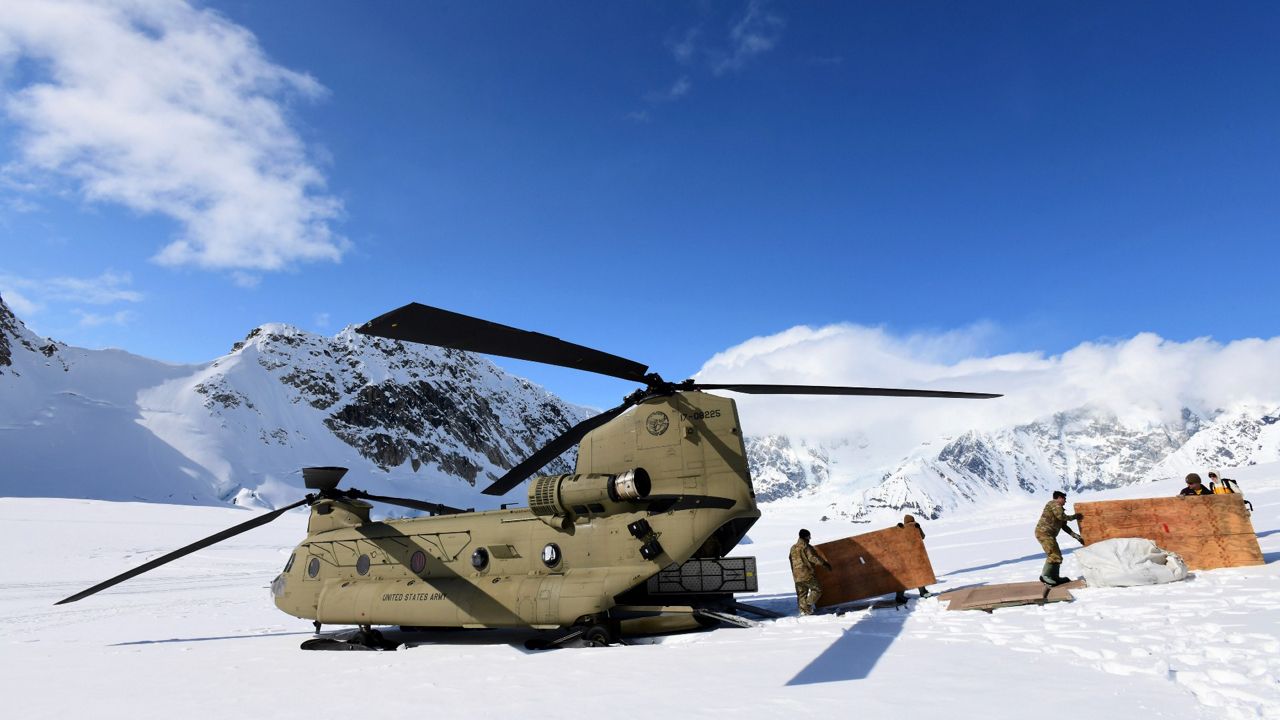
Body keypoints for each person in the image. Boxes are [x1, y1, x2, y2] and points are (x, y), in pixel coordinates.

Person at [1035, 490, 1083, 586]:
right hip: (1044, 533)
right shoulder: (1054, 504)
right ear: (1059, 498)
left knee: (1058, 556)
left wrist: (1076, 536)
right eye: (1064, 499)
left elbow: (1063, 526)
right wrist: (1074, 517)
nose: (1065, 501)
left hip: (1049, 535)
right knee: (1053, 555)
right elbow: (1061, 517)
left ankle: (1055, 577)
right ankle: (1045, 576)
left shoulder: (1058, 508)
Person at [790, 529, 832, 616]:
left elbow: (791, 560)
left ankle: (803, 612)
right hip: (806, 574)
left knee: (801, 594)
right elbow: (812, 557)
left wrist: (794, 572)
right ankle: (807, 605)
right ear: (806, 537)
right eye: (809, 536)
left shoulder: (793, 548)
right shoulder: (806, 546)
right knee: (817, 589)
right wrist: (824, 563)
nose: (810, 538)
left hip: (796, 576)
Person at [894, 516, 935, 602]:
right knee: (904, 578)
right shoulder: (901, 528)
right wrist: (898, 528)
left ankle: (922, 592)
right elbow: (894, 537)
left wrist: (918, 529)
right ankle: (899, 596)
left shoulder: (915, 527)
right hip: (904, 558)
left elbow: (922, 537)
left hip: (914, 557)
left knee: (918, 575)